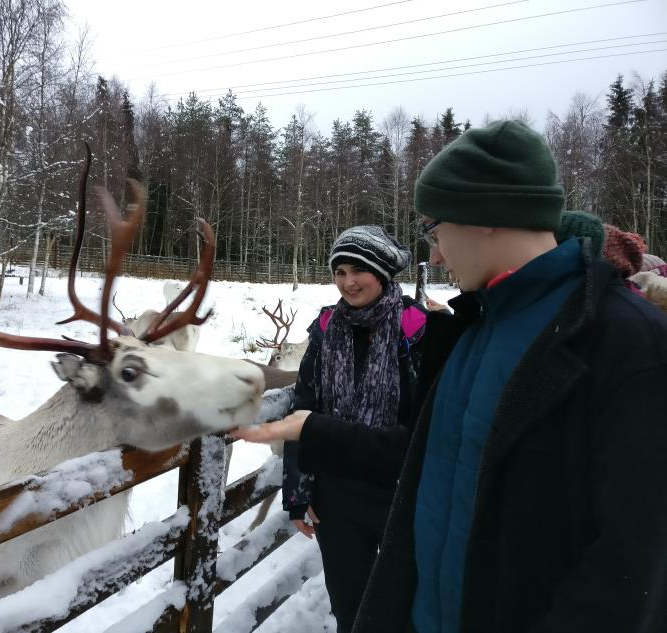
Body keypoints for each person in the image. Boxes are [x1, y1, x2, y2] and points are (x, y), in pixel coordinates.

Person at [348, 120, 667, 633]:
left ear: (486, 216)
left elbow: (634, 569)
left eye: (434, 229)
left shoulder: (627, 344)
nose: (433, 254)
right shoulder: (473, 329)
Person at [237, 225, 426, 633]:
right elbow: (304, 407)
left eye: (359, 270)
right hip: (336, 495)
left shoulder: (416, 328)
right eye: (339, 271)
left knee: (404, 605)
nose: (348, 282)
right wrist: (299, 492)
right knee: (350, 606)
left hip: (400, 493)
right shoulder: (325, 329)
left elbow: (424, 420)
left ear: (383, 272)